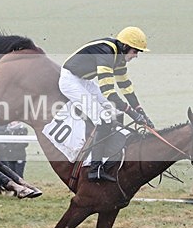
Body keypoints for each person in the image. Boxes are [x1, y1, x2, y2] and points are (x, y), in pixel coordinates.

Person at [60, 26, 154, 182]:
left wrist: (141, 113)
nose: (136, 56)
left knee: (116, 113)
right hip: (70, 81)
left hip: (84, 81)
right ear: (125, 46)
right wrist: (132, 113)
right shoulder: (106, 53)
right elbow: (109, 92)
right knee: (103, 118)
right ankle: (94, 169)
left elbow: (126, 88)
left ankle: (111, 155)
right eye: (135, 51)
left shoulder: (119, 58)